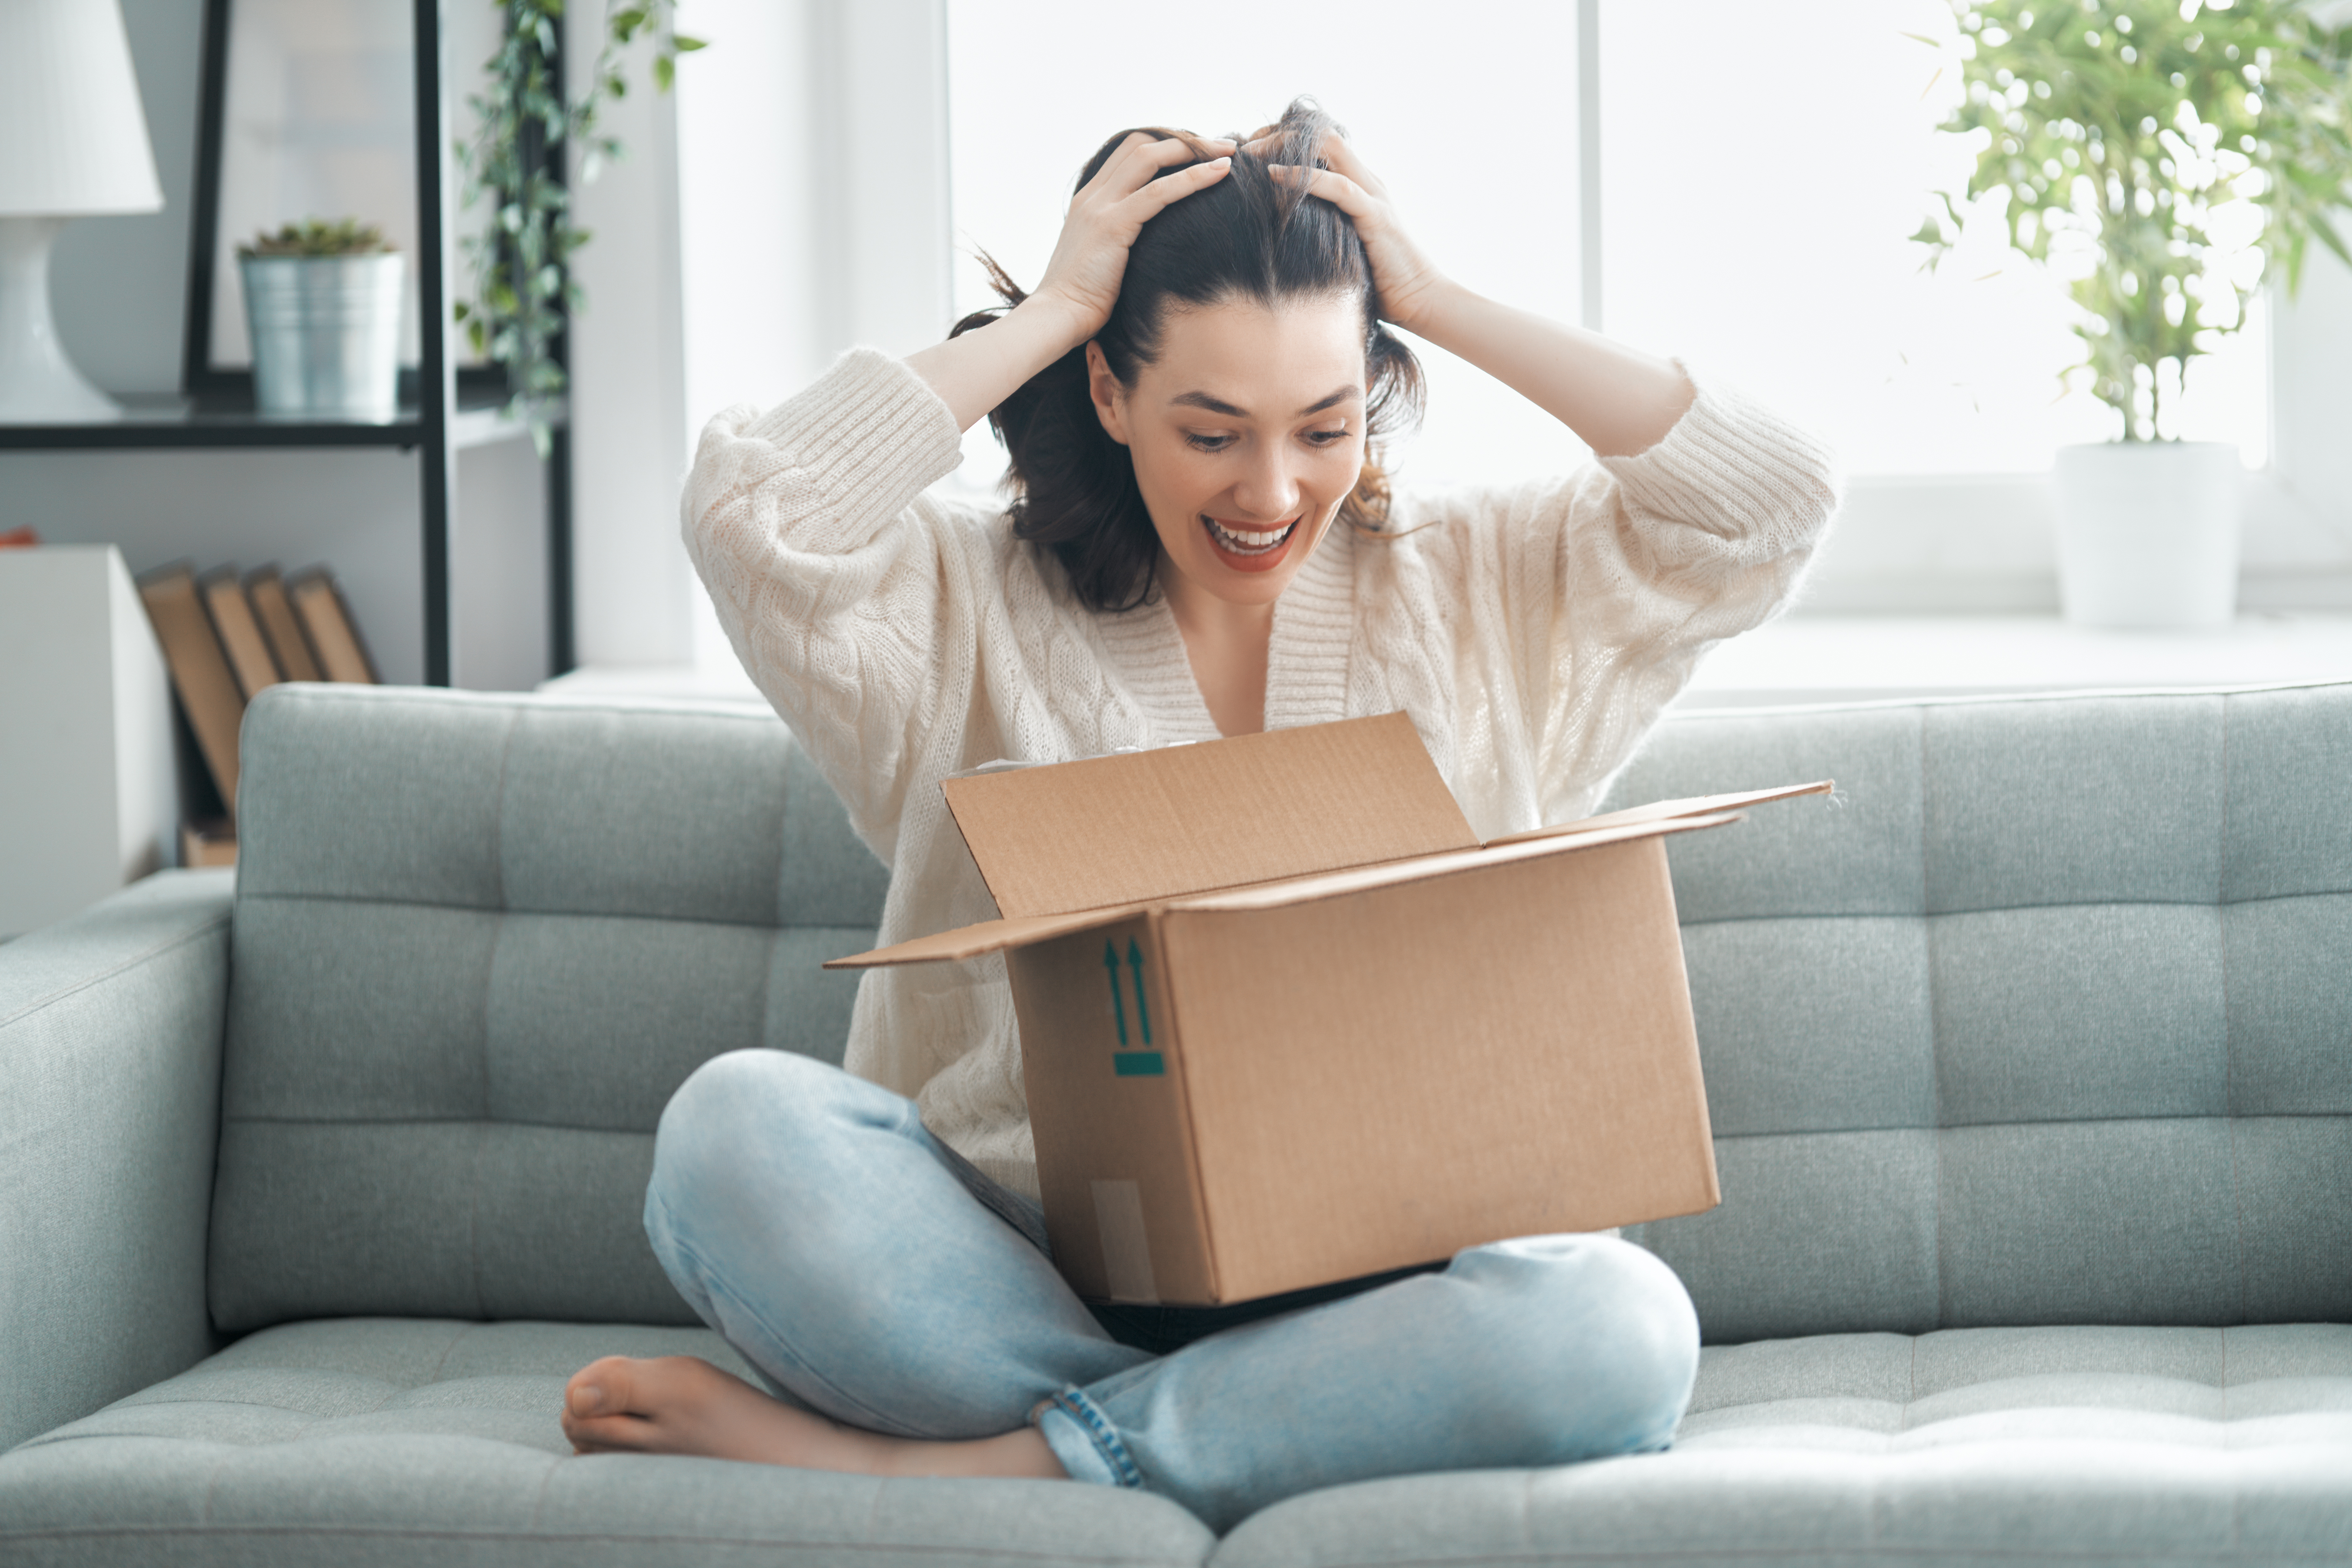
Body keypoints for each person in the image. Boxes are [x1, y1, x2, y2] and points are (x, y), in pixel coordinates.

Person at [558, 101, 1839, 1532]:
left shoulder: (1485, 586)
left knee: (1618, 1323)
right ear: (1107, 391)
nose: (1272, 489)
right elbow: (751, 513)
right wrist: (1051, 307)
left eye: (1327, 422)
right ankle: (1235, 1423)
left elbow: (1769, 504)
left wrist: (1439, 300)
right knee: (732, 1126)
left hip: (1391, 1283)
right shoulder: (960, 607)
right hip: (1019, 1271)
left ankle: (975, 1470)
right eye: (1212, 430)